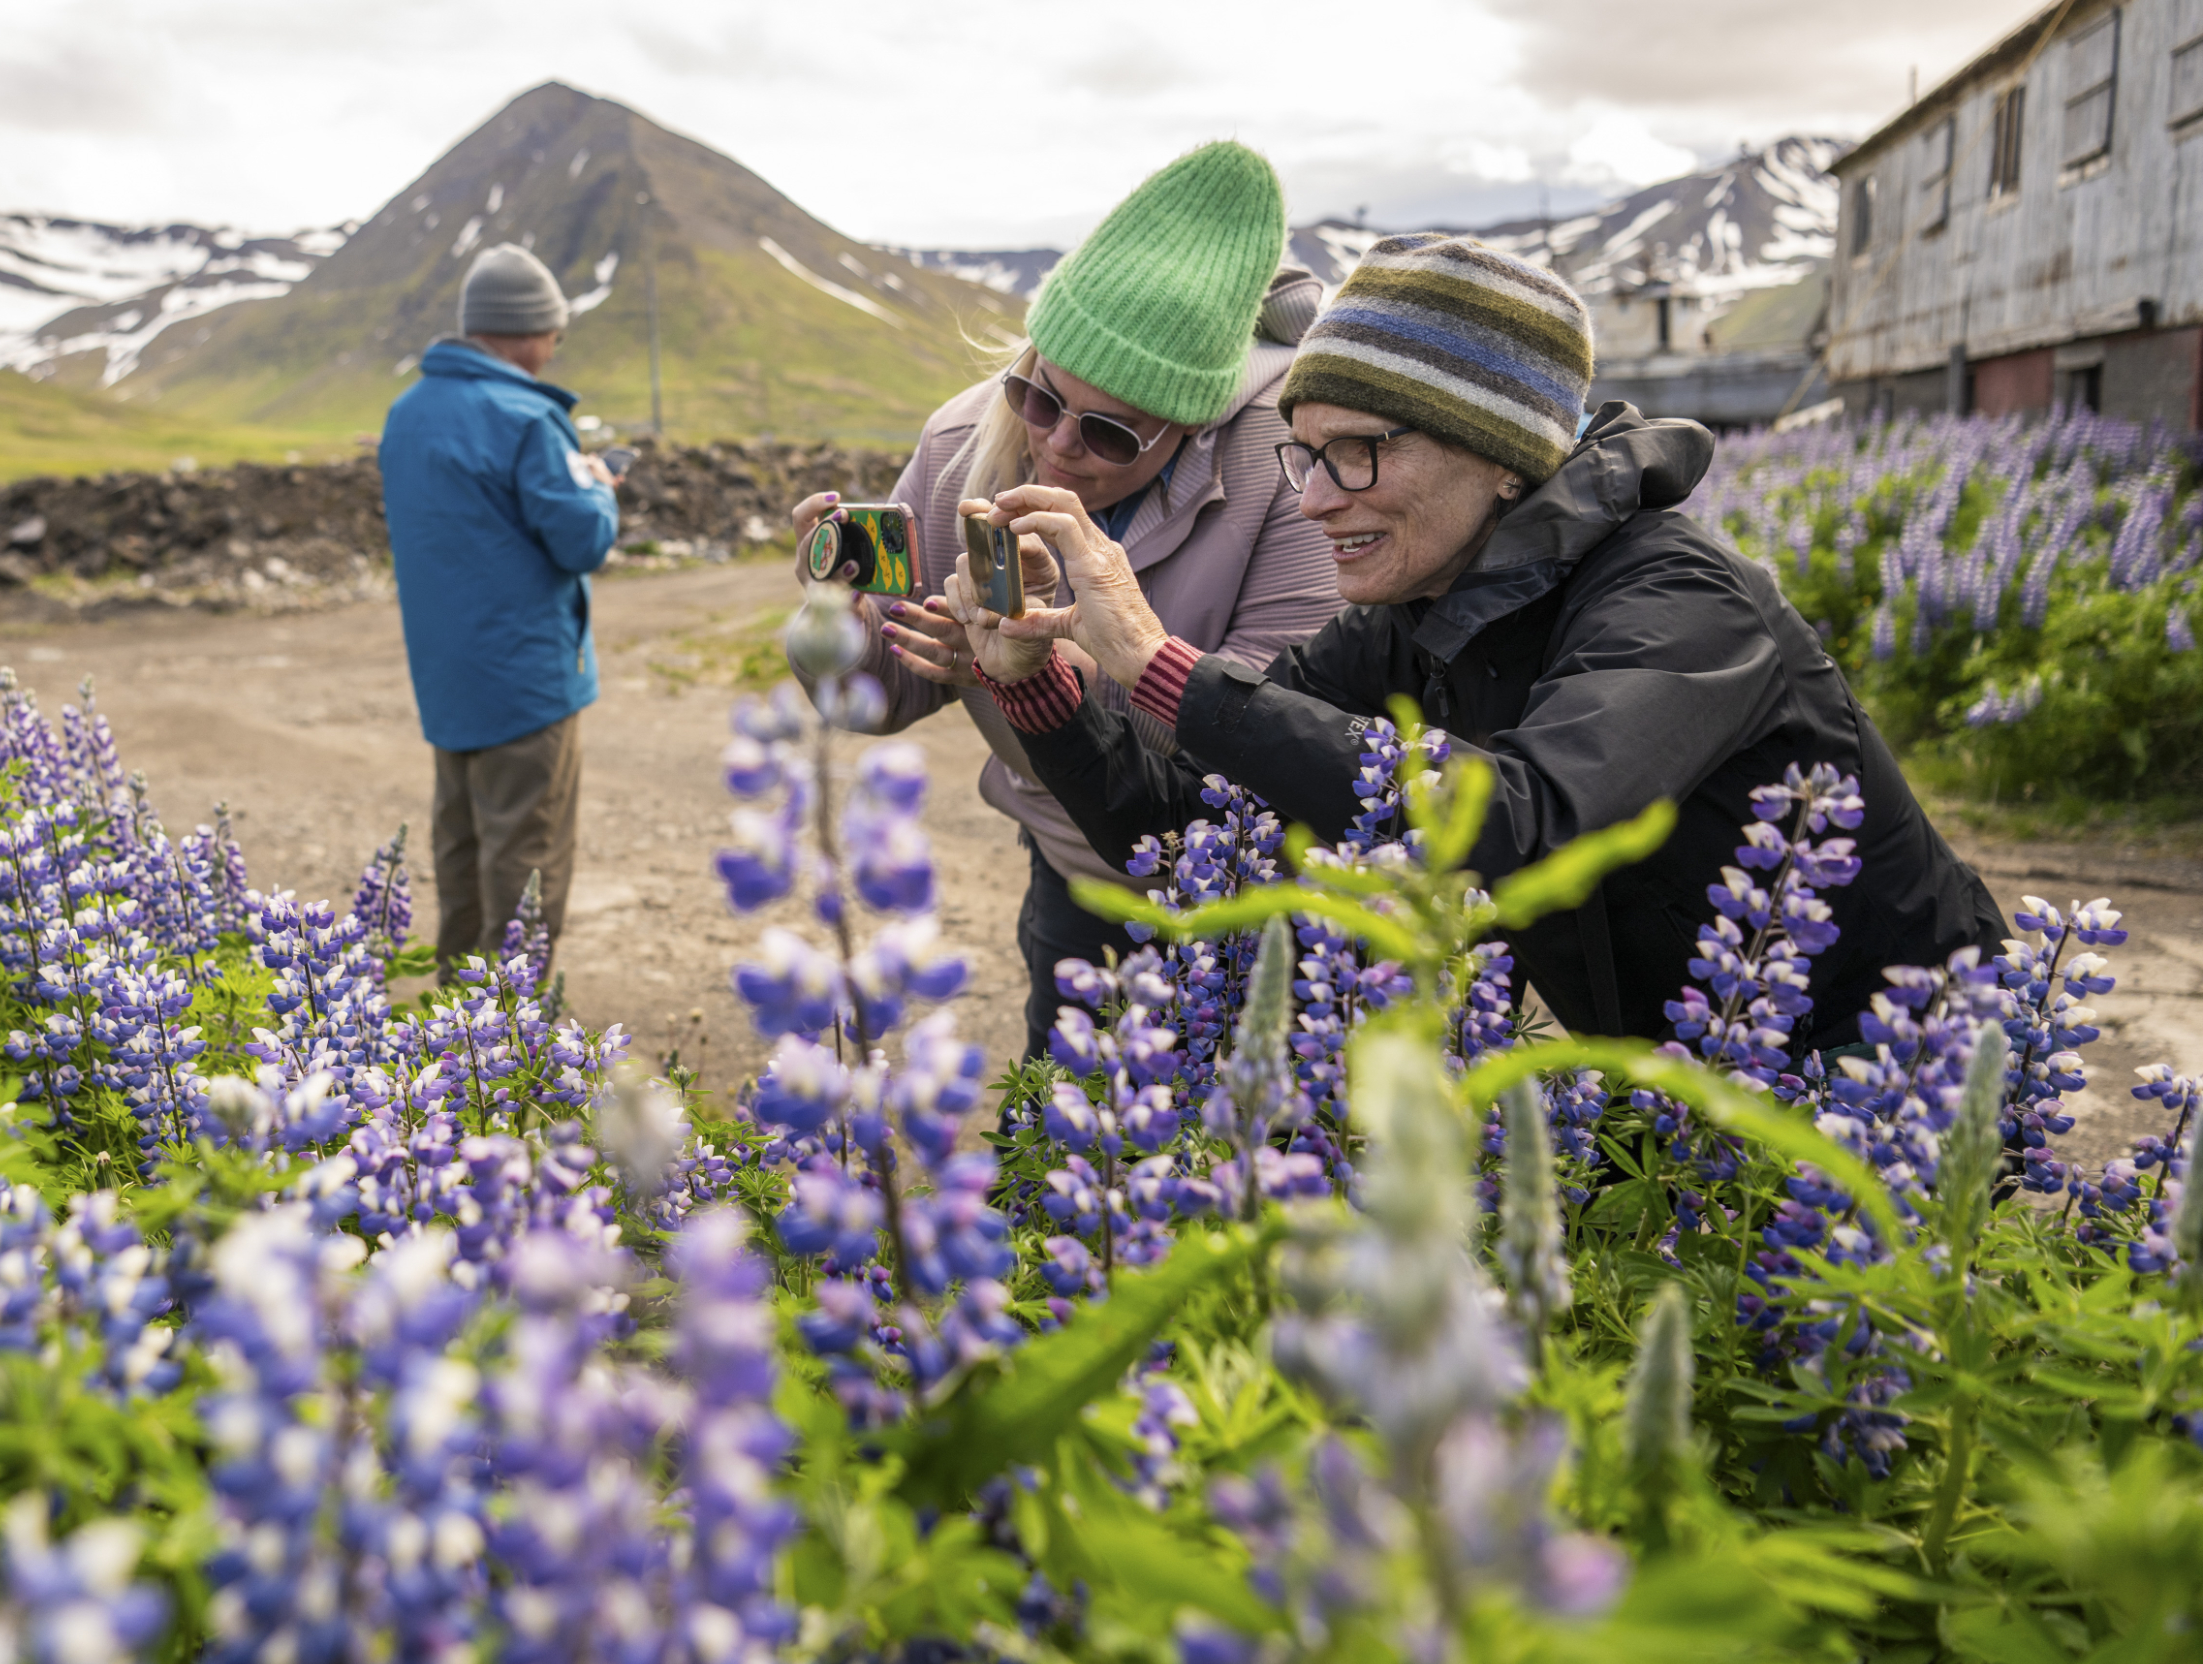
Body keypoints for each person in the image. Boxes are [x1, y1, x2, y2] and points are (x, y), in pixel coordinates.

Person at [918, 231, 2003, 1055]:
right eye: (1303, 455)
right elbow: (1190, 827)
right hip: (1673, 1072)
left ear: (1500, 455)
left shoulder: (1682, 599)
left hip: (1899, 1071)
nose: (1313, 502)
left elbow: (1526, 817)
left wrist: (1162, 661)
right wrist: (1041, 687)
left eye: (1359, 453)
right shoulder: (1403, 620)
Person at [789, 142, 1343, 1057]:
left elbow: (1265, 739)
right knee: (1062, 1139)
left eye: (1112, 432)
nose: (1056, 444)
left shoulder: (1288, 471)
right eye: (1039, 396)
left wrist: (1045, 675)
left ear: (1196, 421)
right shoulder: (967, 436)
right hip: (1075, 863)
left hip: (1264, 892)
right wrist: (838, 634)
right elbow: (886, 694)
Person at [378, 242, 619, 968]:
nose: (555, 348)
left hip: (448, 675)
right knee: (527, 858)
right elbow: (582, 542)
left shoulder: (407, 412)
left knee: (461, 845)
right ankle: (511, 1048)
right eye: (555, 332)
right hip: (528, 682)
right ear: (527, 330)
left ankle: (455, 1020)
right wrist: (599, 487)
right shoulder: (527, 419)